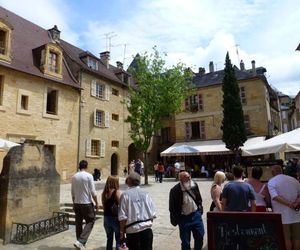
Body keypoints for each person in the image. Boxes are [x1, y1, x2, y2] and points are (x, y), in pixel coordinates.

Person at [119, 172, 156, 250]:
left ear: (129, 181)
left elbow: (123, 217)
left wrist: (122, 233)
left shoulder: (125, 195)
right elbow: (152, 213)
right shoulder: (146, 193)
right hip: (147, 230)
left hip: (132, 231)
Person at [169, 171, 205, 250]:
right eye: (186, 176)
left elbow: (199, 199)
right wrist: (177, 219)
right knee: (185, 242)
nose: (189, 177)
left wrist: (200, 211)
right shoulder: (175, 190)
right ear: (181, 179)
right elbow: (172, 207)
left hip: (196, 215)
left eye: (189, 176)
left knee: (200, 237)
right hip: (184, 218)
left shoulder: (194, 185)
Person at [268, 165, 300, 250]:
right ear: (281, 171)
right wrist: (296, 203)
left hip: (282, 216)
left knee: (286, 239)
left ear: (272, 172)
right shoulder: (294, 180)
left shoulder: (272, 182)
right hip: (297, 214)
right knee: (297, 238)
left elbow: (275, 197)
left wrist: (289, 204)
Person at [71, 160, 99, 250]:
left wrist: (73, 203)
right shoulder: (89, 176)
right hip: (86, 203)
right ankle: (81, 241)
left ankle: (79, 242)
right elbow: (93, 192)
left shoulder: (74, 176)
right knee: (91, 220)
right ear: (86, 166)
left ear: (79, 166)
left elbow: (73, 192)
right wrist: (97, 203)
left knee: (78, 223)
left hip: (77, 203)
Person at [101, 176, 122, 250]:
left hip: (106, 218)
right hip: (115, 218)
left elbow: (104, 207)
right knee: (118, 238)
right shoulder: (117, 192)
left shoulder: (104, 193)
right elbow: (122, 205)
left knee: (109, 239)